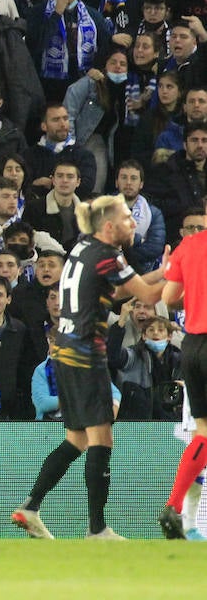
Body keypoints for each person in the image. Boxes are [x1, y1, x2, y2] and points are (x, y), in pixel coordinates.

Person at [12, 194, 166, 540]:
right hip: (85, 355)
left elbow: (118, 290)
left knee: (77, 439)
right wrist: (183, 274)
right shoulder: (109, 255)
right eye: (128, 217)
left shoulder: (84, 249)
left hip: (64, 354)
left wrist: (163, 271)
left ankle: (31, 506)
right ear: (109, 226)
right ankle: (97, 529)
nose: (133, 223)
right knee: (101, 439)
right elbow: (150, 296)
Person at [160, 208, 207, 538]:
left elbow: (169, 298)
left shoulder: (188, 246)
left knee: (203, 431)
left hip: (192, 346)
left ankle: (174, 506)